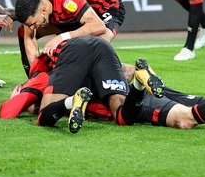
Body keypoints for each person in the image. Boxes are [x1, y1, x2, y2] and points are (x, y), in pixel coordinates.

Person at [0, 54, 205, 140]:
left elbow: (9, 112)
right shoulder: (88, 62)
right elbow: (123, 68)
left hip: (139, 103)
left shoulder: (46, 79)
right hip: (146, 87)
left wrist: (22, 94)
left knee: (185, 121)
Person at [33, 37, 168, 134]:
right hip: (103, 47)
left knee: (43, 116)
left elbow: (27, 98)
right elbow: (127, 70)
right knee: (122, 117)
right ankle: (138, 84)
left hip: (75, 51)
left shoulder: (40, 71)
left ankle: (72, 101)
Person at [14, 0, 125, 77]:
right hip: (74, 14)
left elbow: (98, 26)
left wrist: (61, 37)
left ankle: (121, 73)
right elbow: (29, 37)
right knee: (24, 32)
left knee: (96, 45)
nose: (32, 27)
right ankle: (34, 82)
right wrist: (37, 76)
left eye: (34, 24)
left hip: (105, 8)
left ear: (43, 10)